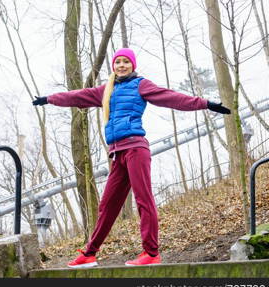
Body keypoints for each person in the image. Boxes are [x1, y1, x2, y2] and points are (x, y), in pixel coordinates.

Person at [32, 48, 230, 268]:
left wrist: (205, 103)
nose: (122, 65)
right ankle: (89, 253)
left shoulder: (141, 85)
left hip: (136, 148)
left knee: (143, 200)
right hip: (117, 154)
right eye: (118, 62)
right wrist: (49, 99)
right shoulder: (106, 90)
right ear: (113, 66)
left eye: (126, 62)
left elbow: (171, 98)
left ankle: (151, 253)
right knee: (107, 205)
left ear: (133, 65)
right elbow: (78, 96)